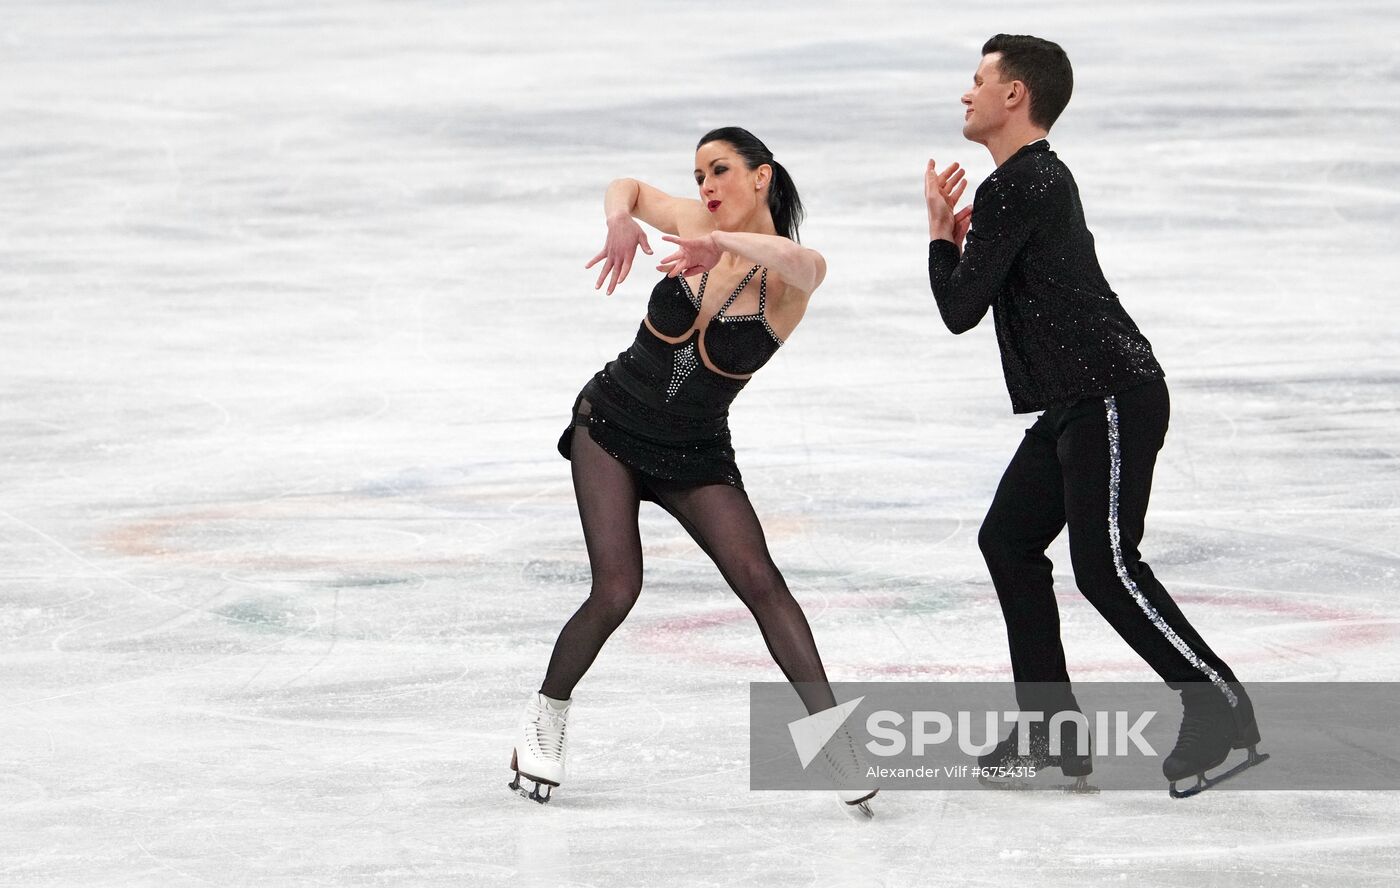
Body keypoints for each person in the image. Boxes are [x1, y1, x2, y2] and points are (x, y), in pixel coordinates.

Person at [923, 34, 1265, 794]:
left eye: (978, 80)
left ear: (1015, 94)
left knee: (1106, 566)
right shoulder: (1025, 181)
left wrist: (940, 237)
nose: (965, 93)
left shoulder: (1021, 184)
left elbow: (958, 308)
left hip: (1110, 393)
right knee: (1008, 540)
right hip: (1079, 401)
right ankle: (1053, 730)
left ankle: (1219, 706)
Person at [509, 127, 875, 812]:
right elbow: (630, 187)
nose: (705, 187)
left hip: (695, 450)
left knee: (760, 580)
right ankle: (545, 716)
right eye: (699, 173)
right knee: (617, 589)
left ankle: (834, 743)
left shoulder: (789, 277)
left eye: (720, 171)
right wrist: (620, 218)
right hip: (611, 423)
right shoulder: (691, 220)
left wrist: (725, 244)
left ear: (760, 177)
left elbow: (801, 261)